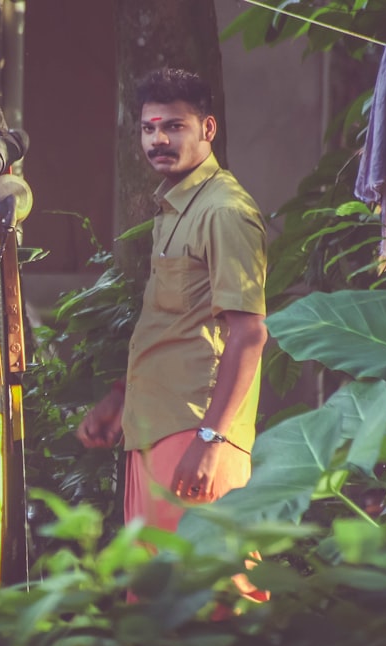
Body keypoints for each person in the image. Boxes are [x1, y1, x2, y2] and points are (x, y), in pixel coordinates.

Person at [76, 67, 268, 549]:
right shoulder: (176, 208)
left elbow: (249, 334)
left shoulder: (223, 212)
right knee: (158, 597)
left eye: (173, 127)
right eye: (148, 128)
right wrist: (122, 398)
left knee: (208, 597)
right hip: (154, 429)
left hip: (195, 433)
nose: (158, 139)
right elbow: (178, 324)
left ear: (207, 129)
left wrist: (210, 441)